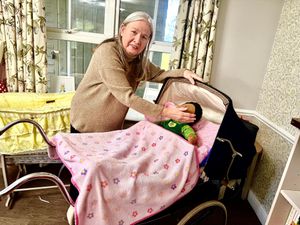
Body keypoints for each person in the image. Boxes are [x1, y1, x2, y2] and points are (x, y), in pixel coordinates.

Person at [66, 11, 202, 223]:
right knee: (83, 173)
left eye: (145, 36)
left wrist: (183, 72)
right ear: (122, 30)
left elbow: (159, 74)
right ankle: (76, 212)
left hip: (110, 128)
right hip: (86, 121)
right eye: (134, 32)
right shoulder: (107, 52)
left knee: (99, 172)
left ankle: (94, 211)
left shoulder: (138, 61)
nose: (138, 40)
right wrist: (164, 112)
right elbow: (126, 96)